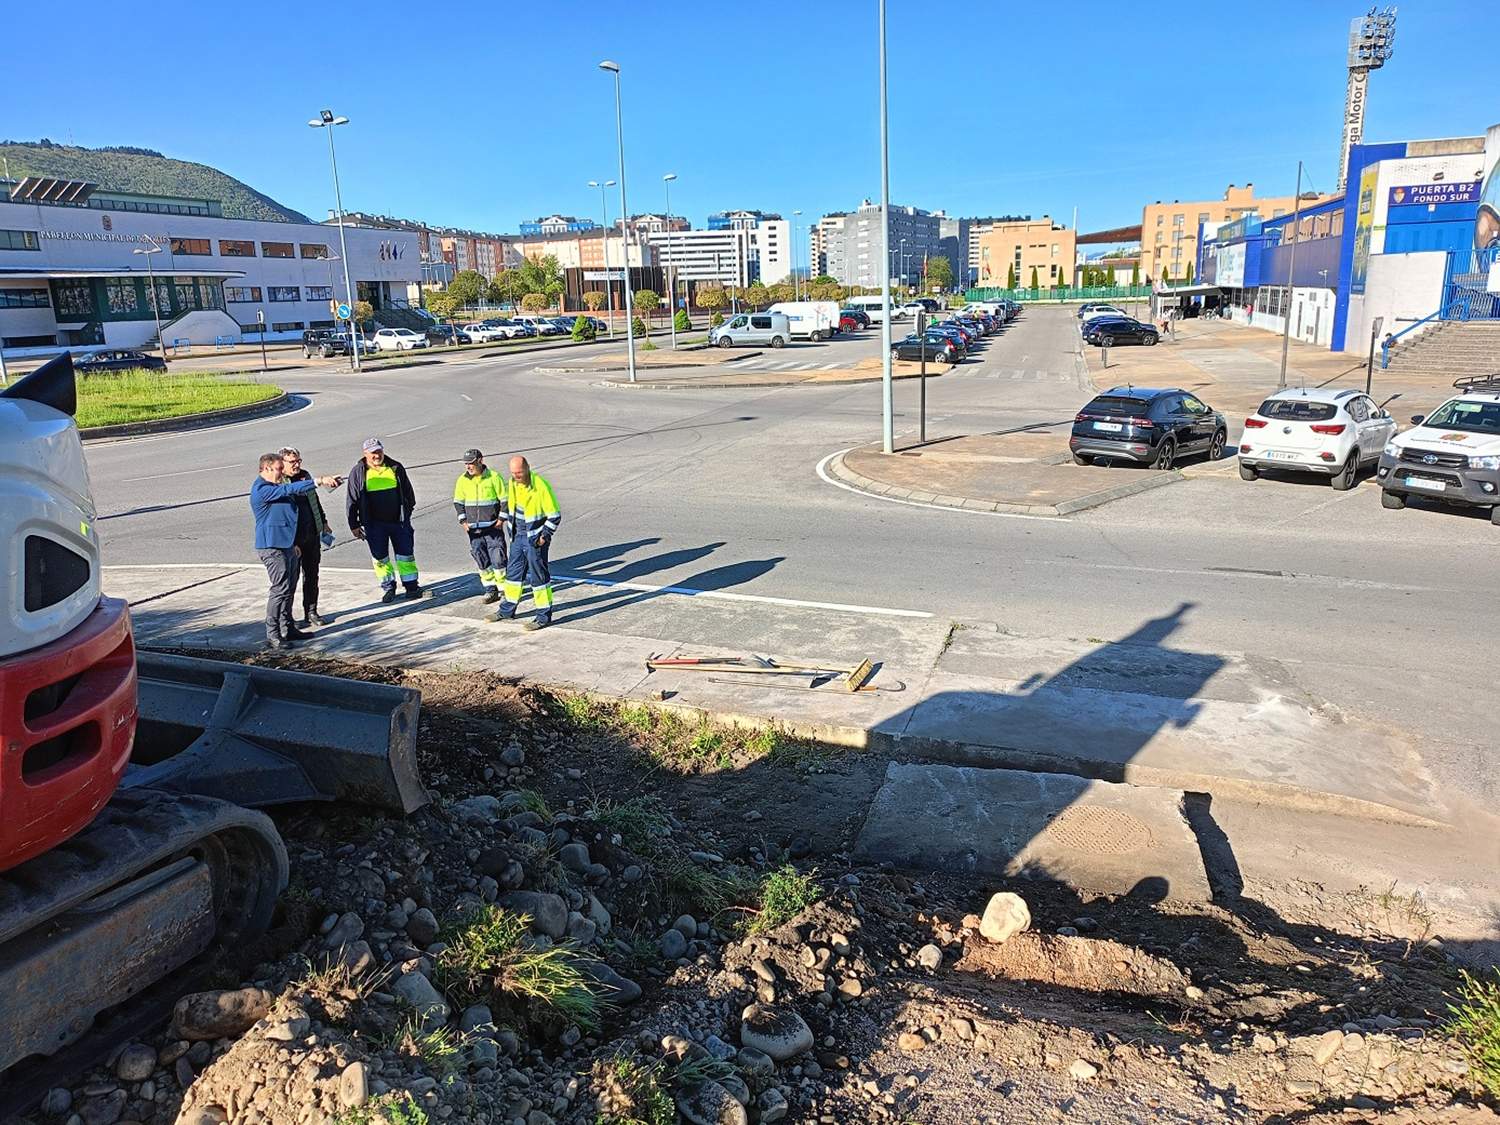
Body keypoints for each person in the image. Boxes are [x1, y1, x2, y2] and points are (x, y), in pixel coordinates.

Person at [250, 452, 340, 650]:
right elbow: (290, 488)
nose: (282, 472)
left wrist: (296, 540)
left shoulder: (274, 486)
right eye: (279, 469)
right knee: (280, 590)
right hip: (272, 547)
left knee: (289, 588)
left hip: (287, 545)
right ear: (266, 469)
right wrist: (319, 481)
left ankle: (288, 627)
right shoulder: (261, 489)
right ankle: (273, 634)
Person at [488, 455, 560, 631]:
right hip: (517, 537)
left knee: (539, 578)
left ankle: (543, 617)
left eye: (519, 472)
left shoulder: (540, 485)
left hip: (534, 539)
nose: (516, 476)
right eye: (513, 473)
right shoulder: (512, 483)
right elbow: (510, 507)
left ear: (527, 468)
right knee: (513, 575)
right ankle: (506, 611)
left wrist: (543, 537)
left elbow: (555, 515)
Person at [346, 437, 422, 603]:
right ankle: (388, 588)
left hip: (399, 523)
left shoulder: (395, 467)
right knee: (380, 558)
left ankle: (411, 587)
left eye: (379, 451)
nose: (376, 455)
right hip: (374, 524)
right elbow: (352, 500)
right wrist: (354, 524)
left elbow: (409, 494)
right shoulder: (358, 472)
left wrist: (406, 513)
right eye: (373, 453)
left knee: (405, 556)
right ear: (365, 454)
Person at [279, 446, 336, 626]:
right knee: (290, 579)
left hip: (311, 533)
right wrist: (290, 541)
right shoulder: (280, 482)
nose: (297, 465)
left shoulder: (305, 475)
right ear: (282, 463)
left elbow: (314, 500)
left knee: (312, 575)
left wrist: (323, 522)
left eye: (298, 461)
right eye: (292, 462)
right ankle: (286, 617)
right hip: (292, 540)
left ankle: (311, 611)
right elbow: (280, 515)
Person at [452, 448, 508, 603]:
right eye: (466, 464)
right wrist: (463, 522)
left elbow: (505, 500)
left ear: (480, 461)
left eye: (471, 463)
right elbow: (458, 502)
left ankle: (504, 590)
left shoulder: (493, 477)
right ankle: (490, 589)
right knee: (481, 558)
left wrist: (501, 520)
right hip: (474, 530)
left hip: (493, 528)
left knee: (498, 559)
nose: (468, 467)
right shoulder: (462, 480)